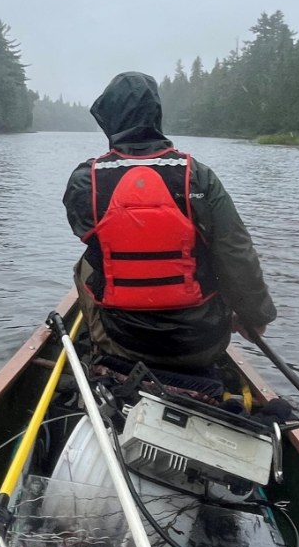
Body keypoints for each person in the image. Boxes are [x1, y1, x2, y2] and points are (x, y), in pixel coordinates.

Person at [62, 70, 276, 371]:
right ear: (156, 115)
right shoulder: (199, 176)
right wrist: (255, 317)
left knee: (86, 263)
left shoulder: (86, 179)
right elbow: (236, 251)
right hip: (200, 343)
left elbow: (83, 229)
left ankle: (99, 347)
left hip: (122, 342)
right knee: (212, 250)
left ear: (109, 117)